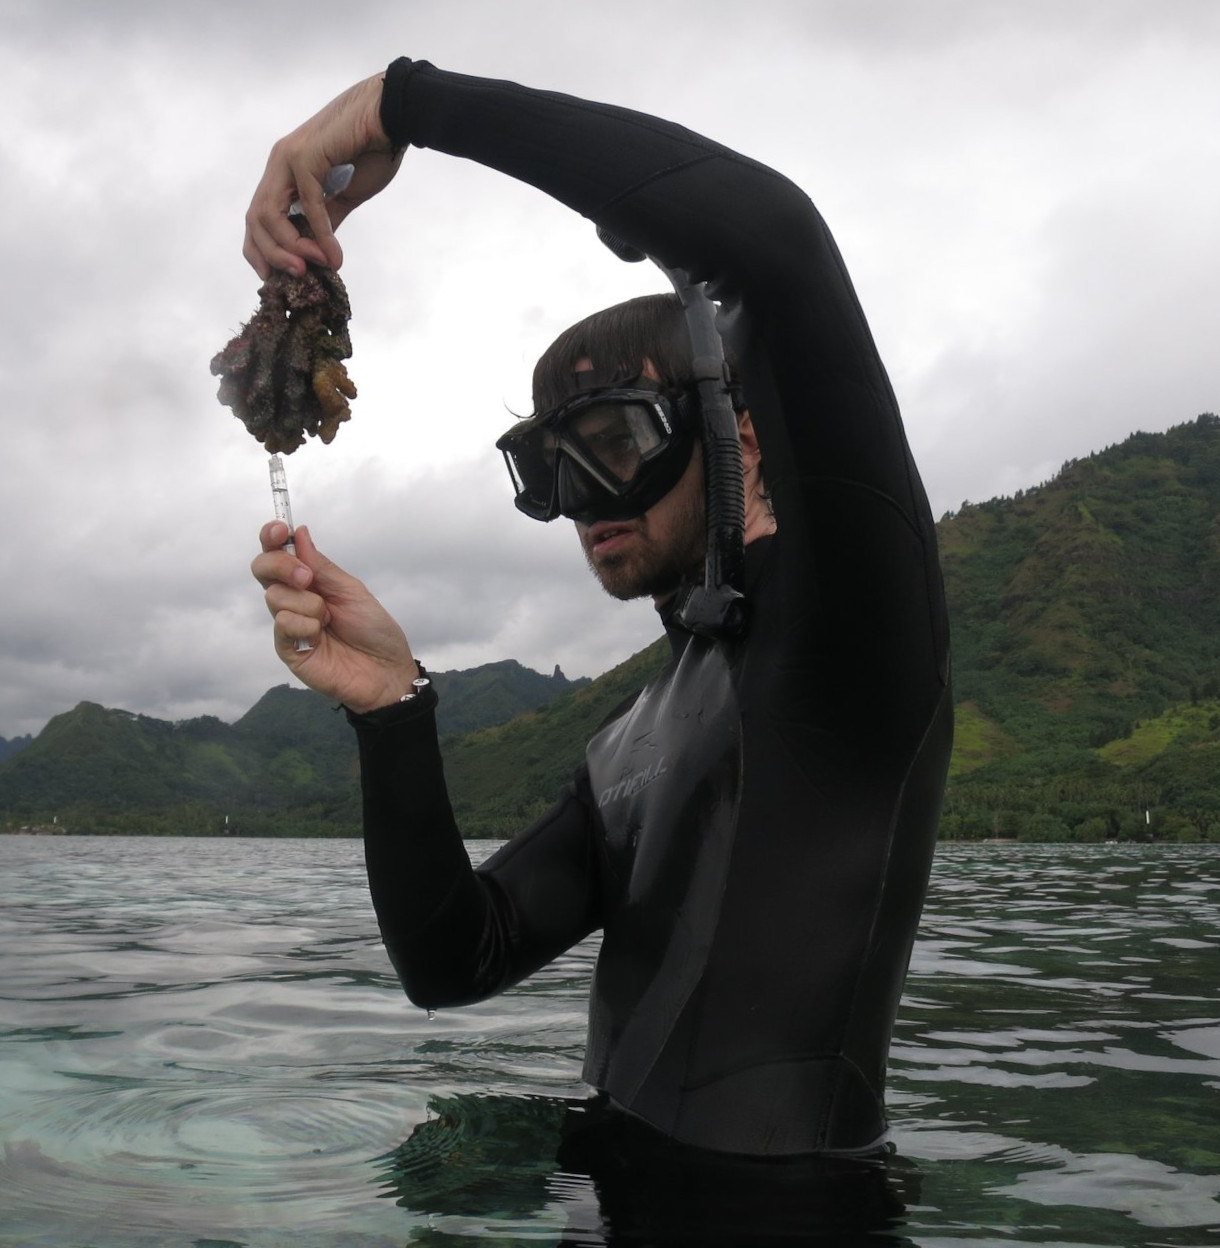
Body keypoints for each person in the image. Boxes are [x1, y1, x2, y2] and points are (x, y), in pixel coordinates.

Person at [249, 59, 953, 1160]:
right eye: (549, 470)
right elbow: (452, 962)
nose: (581, 503)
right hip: (605, 1200)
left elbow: (775, 243)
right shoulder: (634, 737)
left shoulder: (850, 634)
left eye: (613, 445)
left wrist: (407, 105)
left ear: (741, 437)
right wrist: (392, 710)